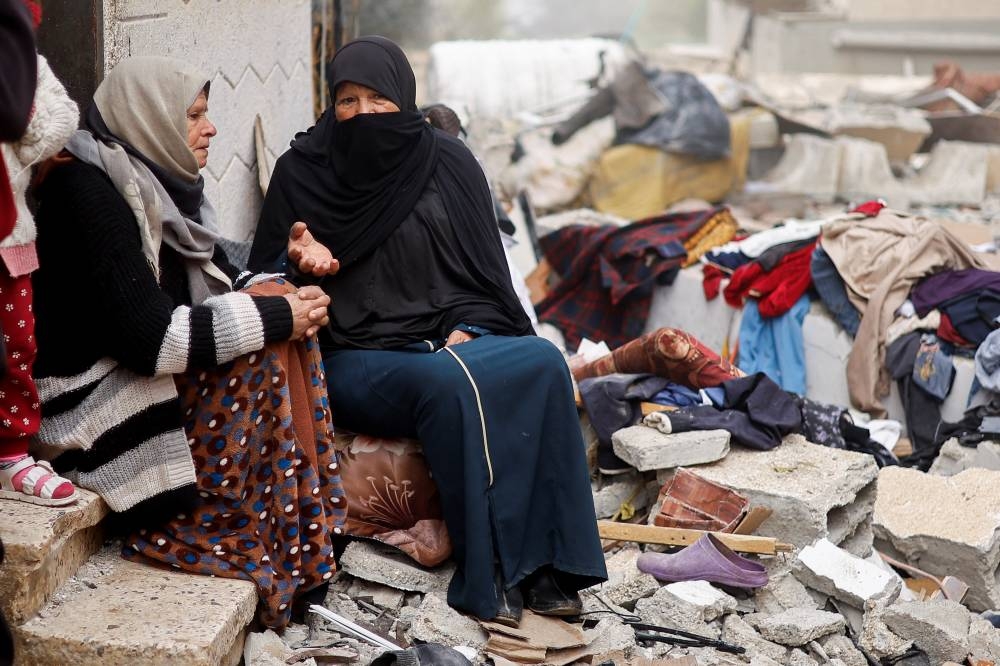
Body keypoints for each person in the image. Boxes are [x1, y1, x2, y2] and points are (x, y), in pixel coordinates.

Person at [248, 35, 607, 627]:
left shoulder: (450, 161)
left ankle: (549, 571)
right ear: (331, 105)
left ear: (405, 98)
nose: (362, 113)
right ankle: (487, 571)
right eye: (347, 100)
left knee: (542, 361)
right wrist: (296, 263)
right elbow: (256, 282)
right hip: (353, 356)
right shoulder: (303, 173)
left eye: (377, 98)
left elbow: (489, 275)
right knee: (447, 383)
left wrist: (471, 325)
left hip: (453, 340)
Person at [31, 56, 346, 628]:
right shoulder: (89, 193)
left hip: (139, 372)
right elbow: (152, 340)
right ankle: (208, 527)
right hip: (89, 404)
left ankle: (303, 537)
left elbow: (223, 279)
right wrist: (279, 316)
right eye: (194, 116)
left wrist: (294, 287)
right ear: (149, 119)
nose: (211, 128)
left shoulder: (154, 184)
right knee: (265, 346)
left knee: (281, 310)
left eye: (208, 114)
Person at [0, 0, 80, 507]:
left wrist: (11, 150)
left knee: (17, 345)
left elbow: (60, 114)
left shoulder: (22, 52)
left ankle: (11, 452)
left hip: (8, 234)